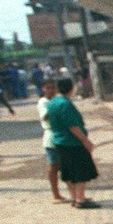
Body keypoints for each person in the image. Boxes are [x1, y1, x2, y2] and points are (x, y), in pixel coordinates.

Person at [46, 77, 100, 208]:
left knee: (68, 171)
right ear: (71, 88)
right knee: (80, 171)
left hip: (59, 141)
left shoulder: (52, 103)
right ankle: (80, 199)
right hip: (72, 142)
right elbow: (72, 126)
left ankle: (74, 197)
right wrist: (85, 141)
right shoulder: (65, 104)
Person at [36, 79, 66, 202]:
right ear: (43, 89)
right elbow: (46, 116)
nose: (51, 90)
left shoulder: (55, 100)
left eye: (53, 88)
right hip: (50, 136)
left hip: (61, 136)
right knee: (53, 166)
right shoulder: (43, 102)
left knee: (64, 166)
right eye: (48, 88)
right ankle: (56, 193)